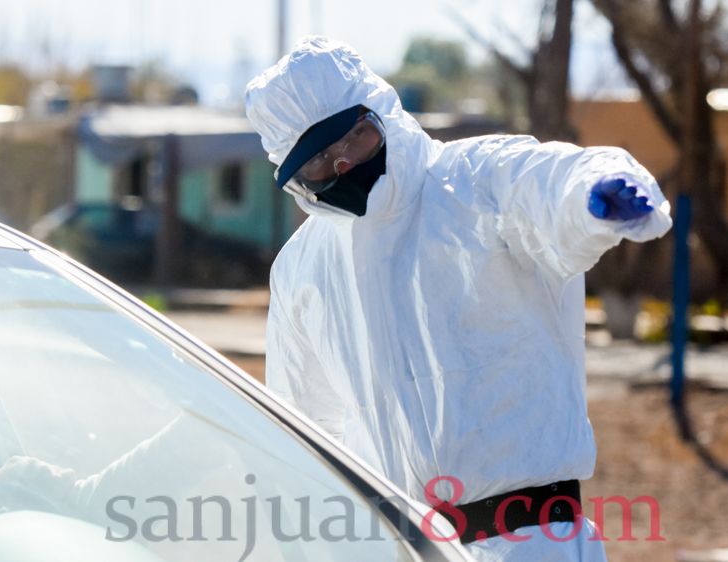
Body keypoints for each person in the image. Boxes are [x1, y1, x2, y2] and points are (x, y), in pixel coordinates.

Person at [247, 37, 672, 561]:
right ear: (294, 176)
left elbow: (546, 181)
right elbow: (300, 427)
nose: (340, 166)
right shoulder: (303, 269)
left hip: (531, 543)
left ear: (380, 114)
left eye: (351, 139)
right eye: (317, 162)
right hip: (397, 549)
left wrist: (595, 192)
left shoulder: (473, 182)